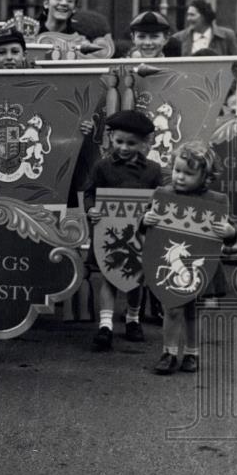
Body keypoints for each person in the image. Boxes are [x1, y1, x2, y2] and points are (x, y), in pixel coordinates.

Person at [140, 141, 237, 374]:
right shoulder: (164, 194)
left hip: (200, 264)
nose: (180, 177)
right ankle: (169, 353)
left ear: (205, 176)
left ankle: (192, 354)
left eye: (188, 173)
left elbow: (229, 229)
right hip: (167, 263)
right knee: (171, 308)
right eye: (177, 170)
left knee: (193, 311)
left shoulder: (215, 200)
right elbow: (148, 226)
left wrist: (230, 231)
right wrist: (145, 220)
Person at [85, 110, 163, 350]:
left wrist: (154, 213)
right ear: (111, 138)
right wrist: (90, 210)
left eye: (132, 143)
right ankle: (105, 325)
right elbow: (89, 193)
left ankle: (132, 319)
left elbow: (160, 199)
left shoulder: (152, 169)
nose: (125, 148)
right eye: (119, 142)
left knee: (135, 279)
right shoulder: (102, 167)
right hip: (109, 233)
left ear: (144, 143)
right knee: (109, 276)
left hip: (139, 233)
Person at [171, 0, 237, 57]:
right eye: (188, 15)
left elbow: (236, 65)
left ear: (204, 16)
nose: (188, 19)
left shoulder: (227, 36)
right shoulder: (178, 38)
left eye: (192, 15)